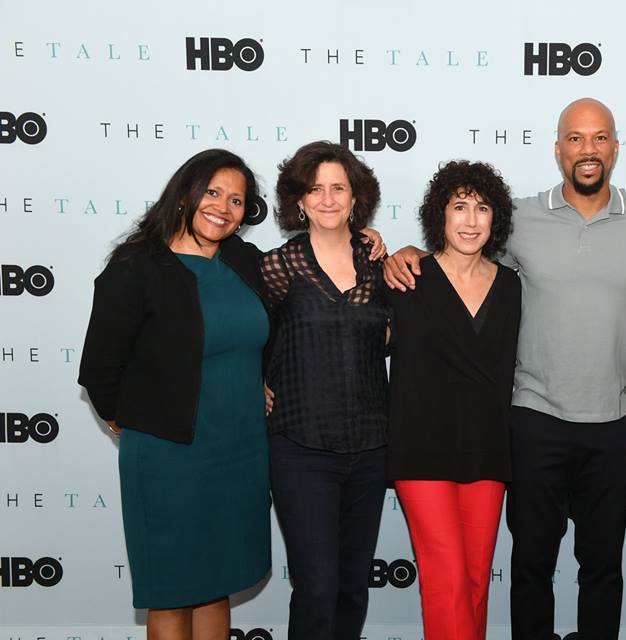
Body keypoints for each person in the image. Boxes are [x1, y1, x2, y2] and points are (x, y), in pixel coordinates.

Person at [384, 98, 626, 639]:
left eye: (599, 138)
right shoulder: (518, 217)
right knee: (530, 568)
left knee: (602, 571)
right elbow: (461, 256)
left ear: (616, 148)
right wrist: (407, 249)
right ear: (557, 149)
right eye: (575, 138)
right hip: (532, 419)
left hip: (610, 424)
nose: (587, 149)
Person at [78, 149, 271, 640]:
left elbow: (284, 311)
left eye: (236, 200)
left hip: (241, 450)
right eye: (212, 192)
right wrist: (140, 421)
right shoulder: (137, 266)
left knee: (216, 583)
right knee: (172, 588)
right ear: (186, 192)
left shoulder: (245, 260)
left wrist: (377, 243)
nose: (222, 208)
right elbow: (100, 368)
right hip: (169, 456)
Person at [261, 140, 390, 640]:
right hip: (300, 447)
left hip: (370, 447)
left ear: (356, 198)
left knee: (353, 586)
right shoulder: (276, 267)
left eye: (339, 187)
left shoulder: (380, 265)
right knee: (316, 586)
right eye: (316, 189)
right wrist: (255, 381)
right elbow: (246, 332)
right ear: (299, 200)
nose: (328, 198)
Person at [388, 160, 521, 640]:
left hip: (487, 448)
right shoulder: (406, 278)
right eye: (459, 207)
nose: (470, 220)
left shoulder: (511, 286)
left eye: (481, 208)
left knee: (474, 580)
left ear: (495, 219)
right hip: (420, 448)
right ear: (439, 216)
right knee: (445, 578)